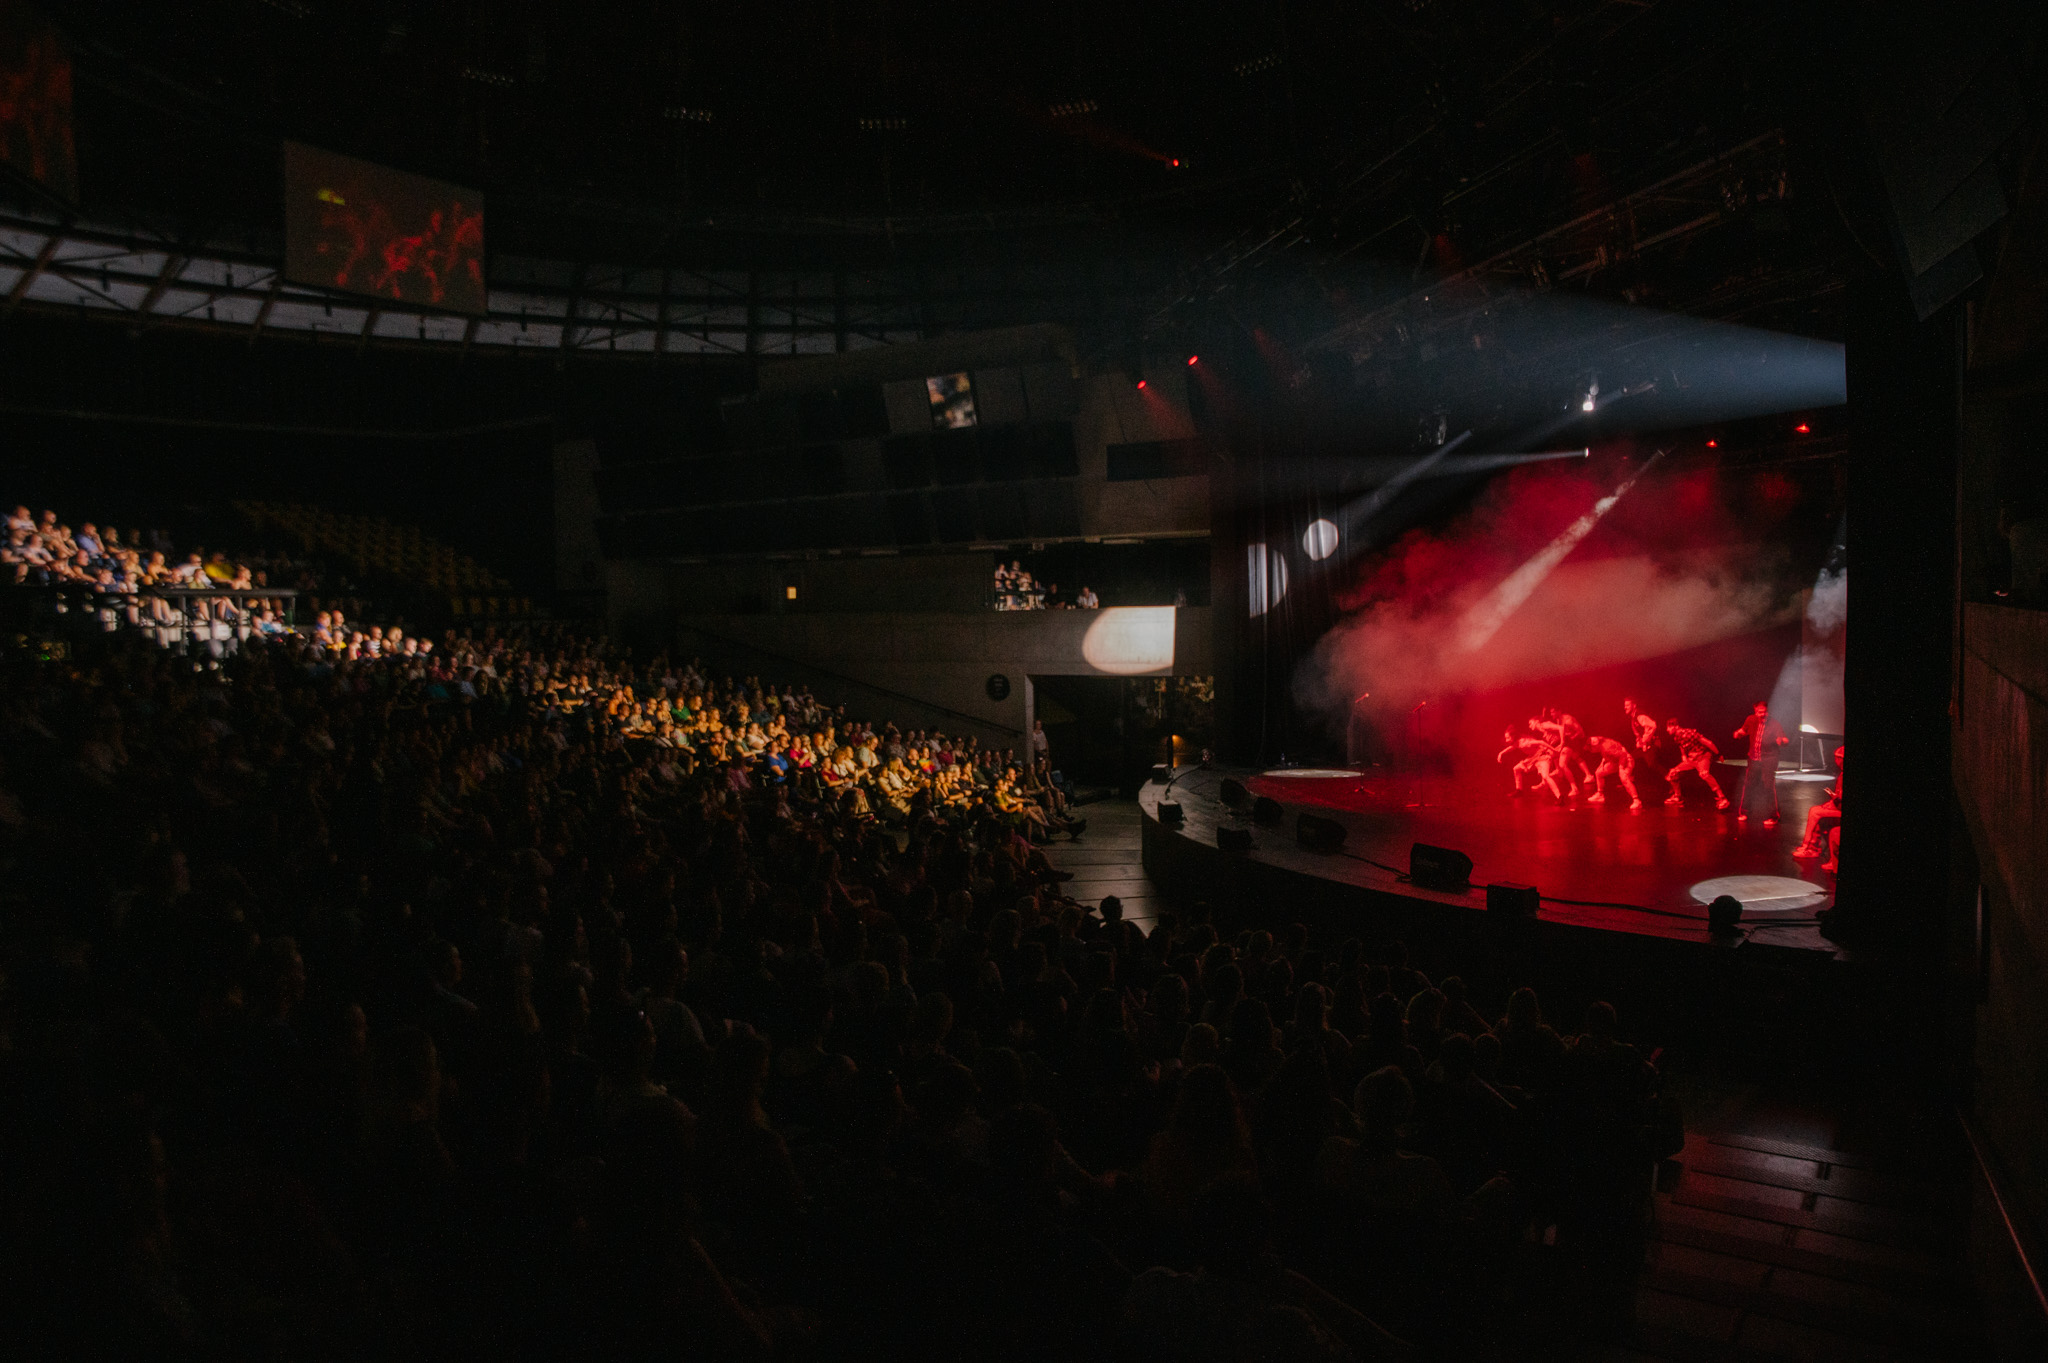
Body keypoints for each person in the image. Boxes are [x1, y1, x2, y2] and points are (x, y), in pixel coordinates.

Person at [1732, 701, 1788, 824]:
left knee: (1768, 786)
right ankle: (1744, 812)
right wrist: (1738, 734)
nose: (1762, 714)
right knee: (1748, 784)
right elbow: (1743, 730)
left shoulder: (1773, 723)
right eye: (1759, 712)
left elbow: (1785, 739)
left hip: (1769, 759)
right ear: (1755, 711)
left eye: (1764, 712)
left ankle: (1773, 816)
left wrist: (1781, 741)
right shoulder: (1751, 719)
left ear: (1767, 711)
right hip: (1754, 758)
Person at [1662, 718, 1729, 809]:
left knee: (1704, 774)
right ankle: (1677, 797)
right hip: (1692, 759)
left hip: (1703, 756)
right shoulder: (1676, 737)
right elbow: (1681, 746)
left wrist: (1718, 754)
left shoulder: (1689, 733)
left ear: (1676, 726)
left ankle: (1722, 798)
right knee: (1673, 772)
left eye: (1669, 727)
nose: (1667, 730)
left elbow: (1708, 743)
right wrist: (1684, 756)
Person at [1794, 746, 1845, 863]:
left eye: (1838, 758)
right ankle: (1812, 846)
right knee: (1815, 810)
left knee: (1815, 813)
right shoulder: (1841, 775)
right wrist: (1831, 802)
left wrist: (1834, 801)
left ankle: (1808, 846)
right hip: (1838, 806)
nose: (1836, 761)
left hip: (1840, 809)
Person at [1584, 734, 1642, 810]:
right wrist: (1603, 763)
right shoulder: (1603, 745)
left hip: (1626, 760)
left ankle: (1637, 801)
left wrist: (1621, 768)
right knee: (1599, 773)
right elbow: (1609, 754)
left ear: (1595, 745)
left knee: (1624, 778)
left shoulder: (1606, 748)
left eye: (1591, 748)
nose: (1590, 751)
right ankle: (1600, 795)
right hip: (1616, 761)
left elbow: (1623, 754)